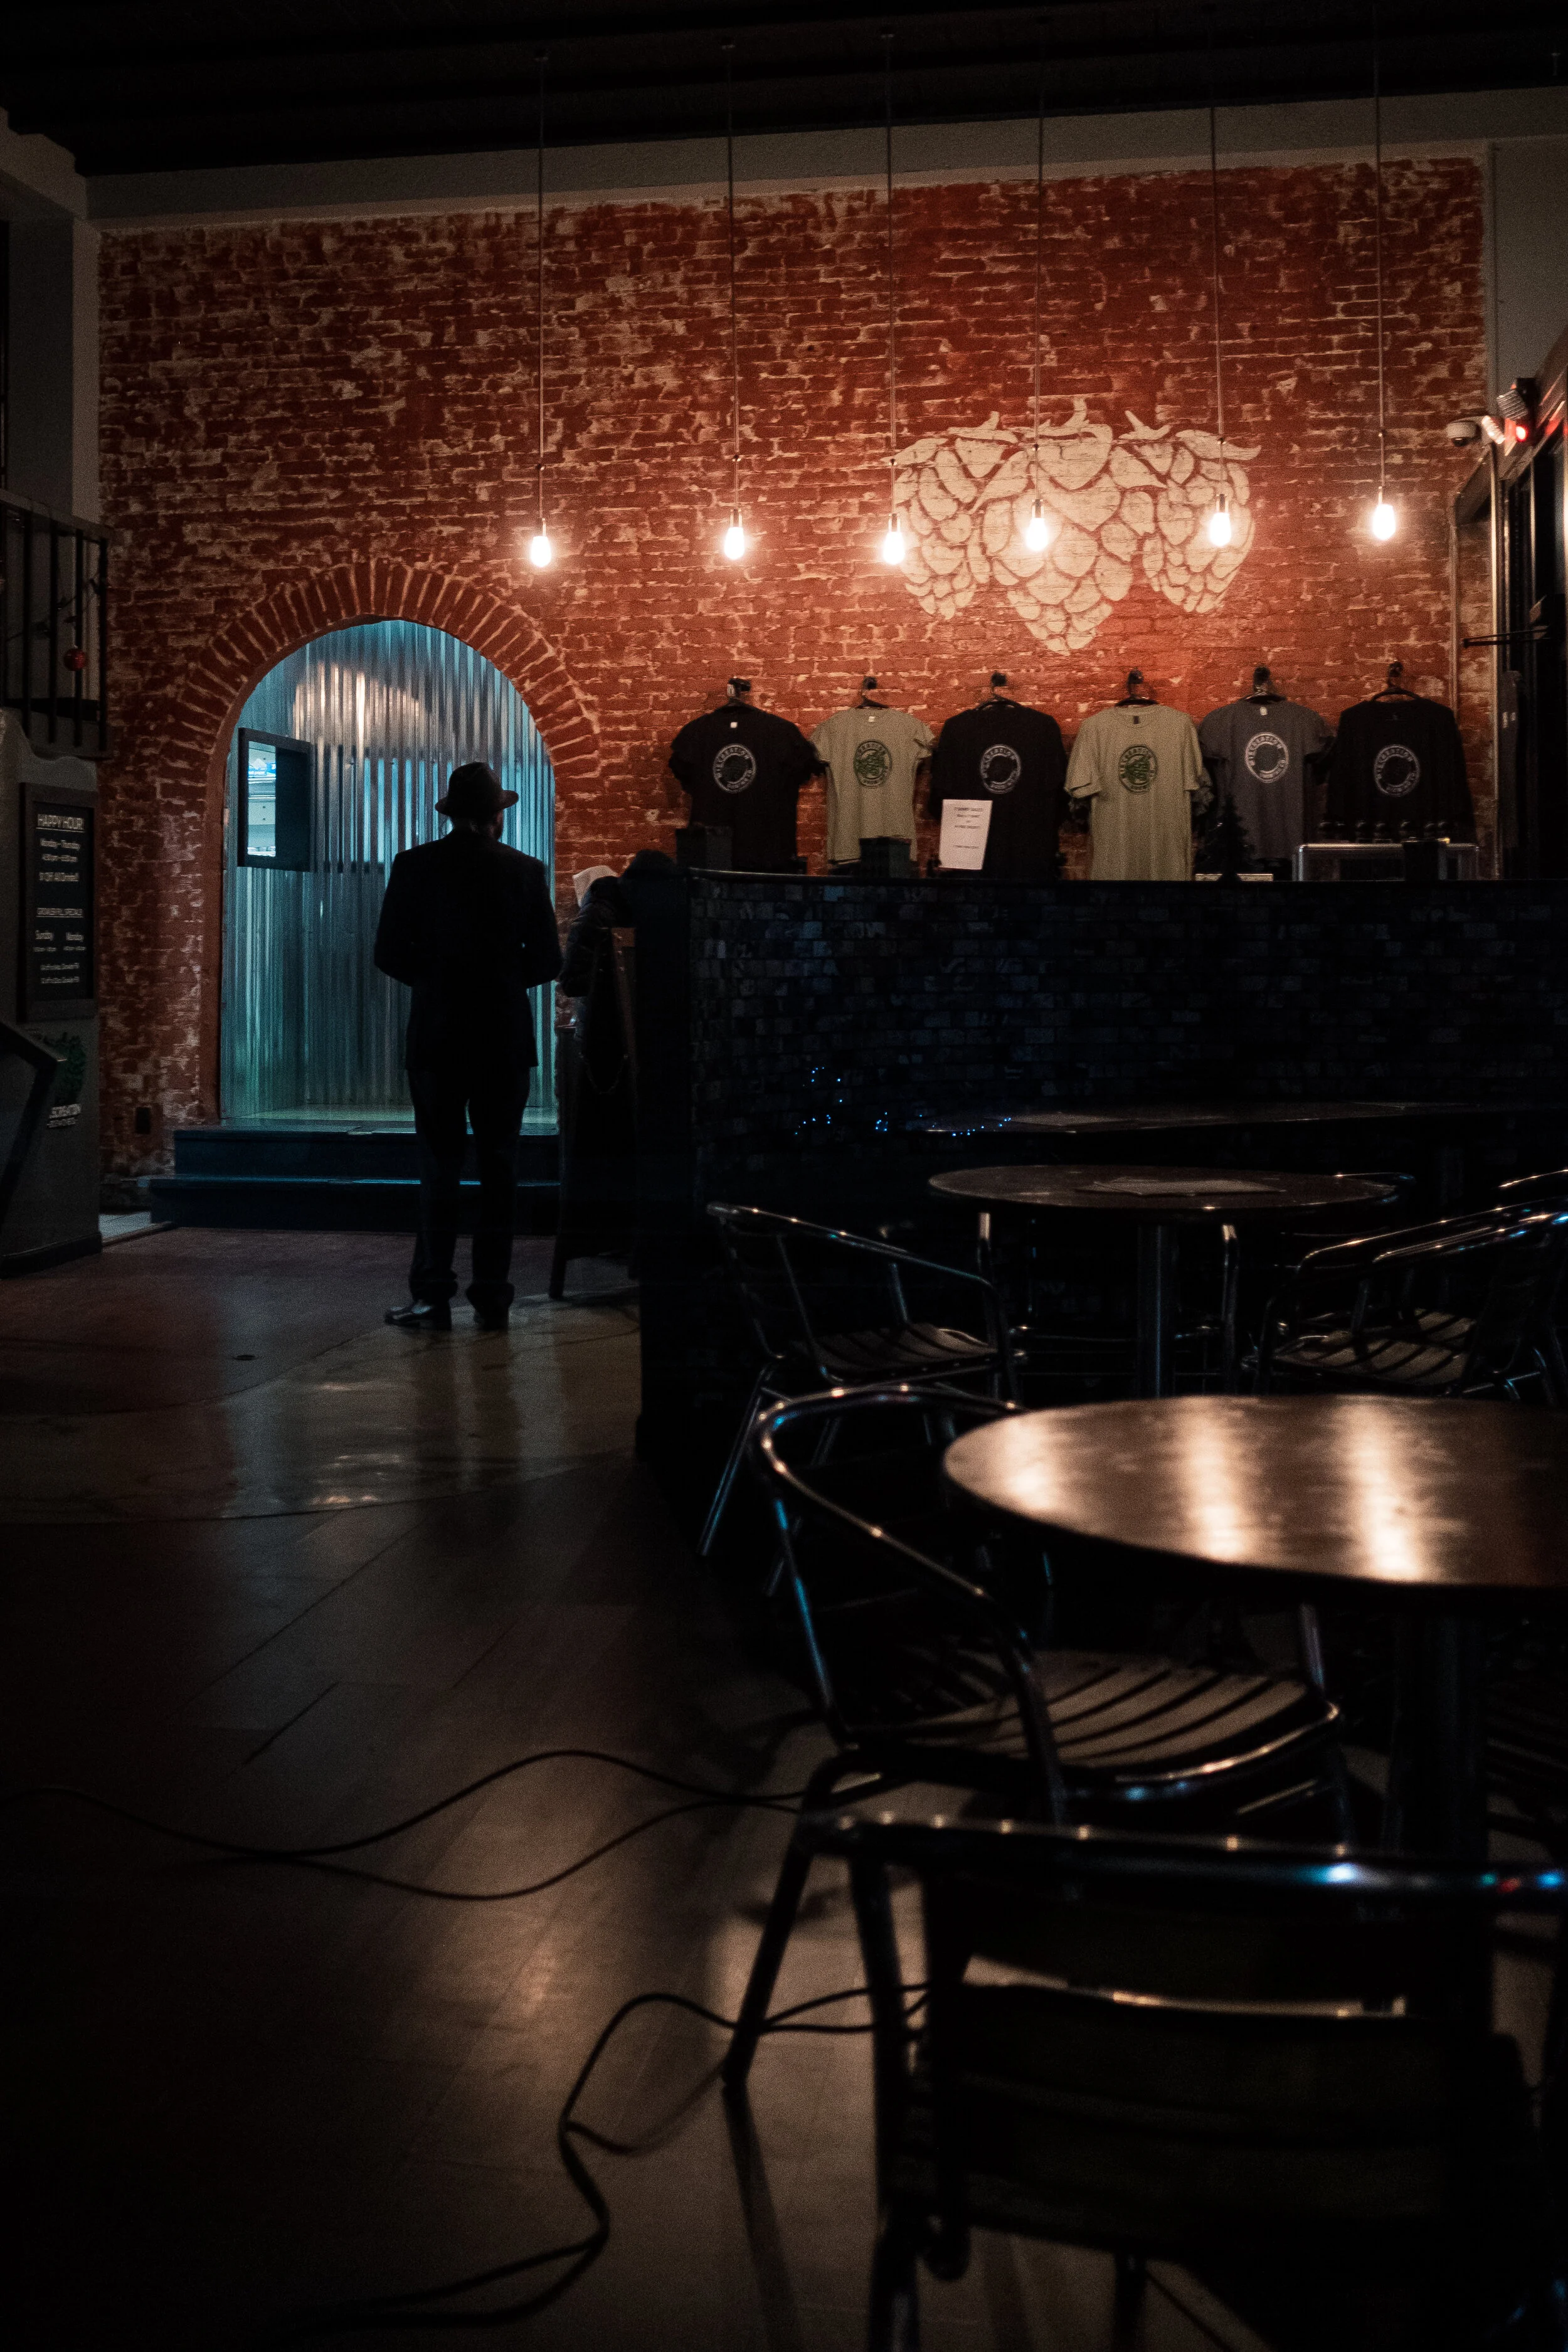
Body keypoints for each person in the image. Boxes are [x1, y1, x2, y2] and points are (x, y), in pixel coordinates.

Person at [373, 761, 563, 1333]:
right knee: (500, 1166)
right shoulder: (525, 872)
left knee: (440, 1167)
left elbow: (387, 952)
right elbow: (550, 960)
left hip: (436, 1035)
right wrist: (501, 981)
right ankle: (493, 1295)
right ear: (497, 817)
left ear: (453, 814)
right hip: (503, 1035)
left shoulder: (414, 866)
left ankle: (432, 1297)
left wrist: (436, 982)